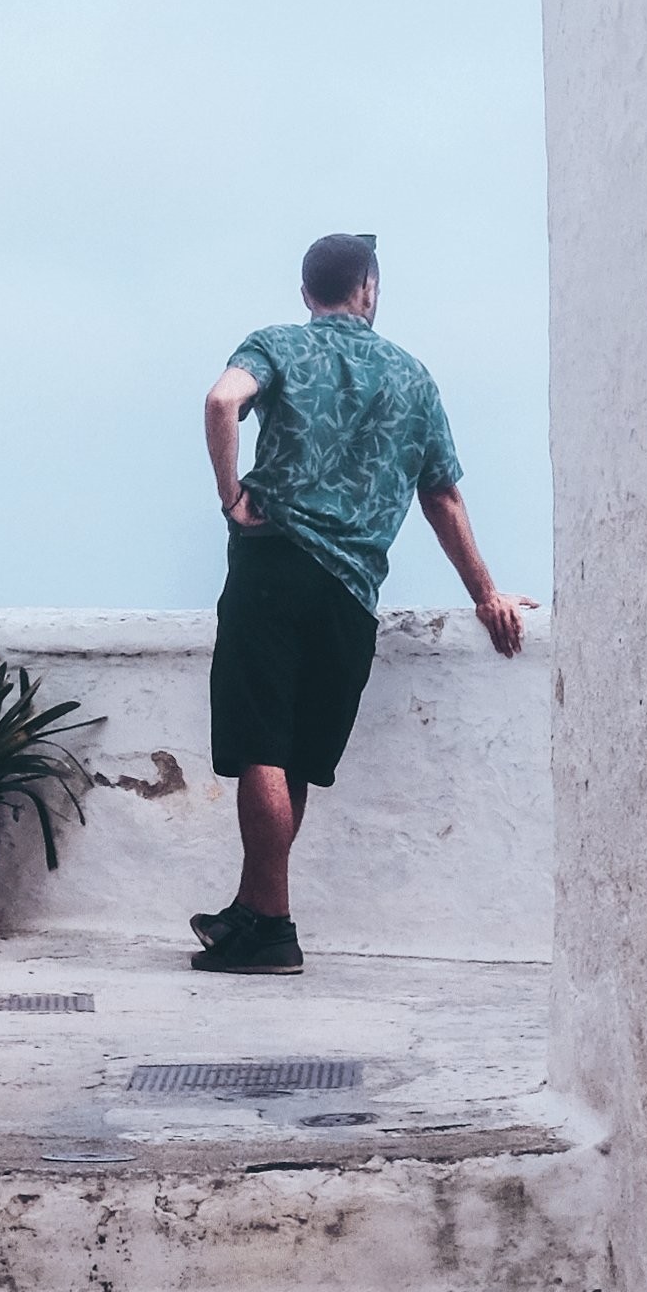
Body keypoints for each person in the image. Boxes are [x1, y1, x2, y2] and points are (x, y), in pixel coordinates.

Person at [192, 231, 531, 976]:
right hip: (351, 592)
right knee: (298, 759)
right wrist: (485, 594)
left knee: (262, 748)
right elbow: (440, 494)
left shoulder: (276, 345)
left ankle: (272, 926)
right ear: (368, 289)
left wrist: (232, 499)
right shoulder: (413, 377)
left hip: (274, 564)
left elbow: (222, 401)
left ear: (308, 293)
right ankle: (254, 910)